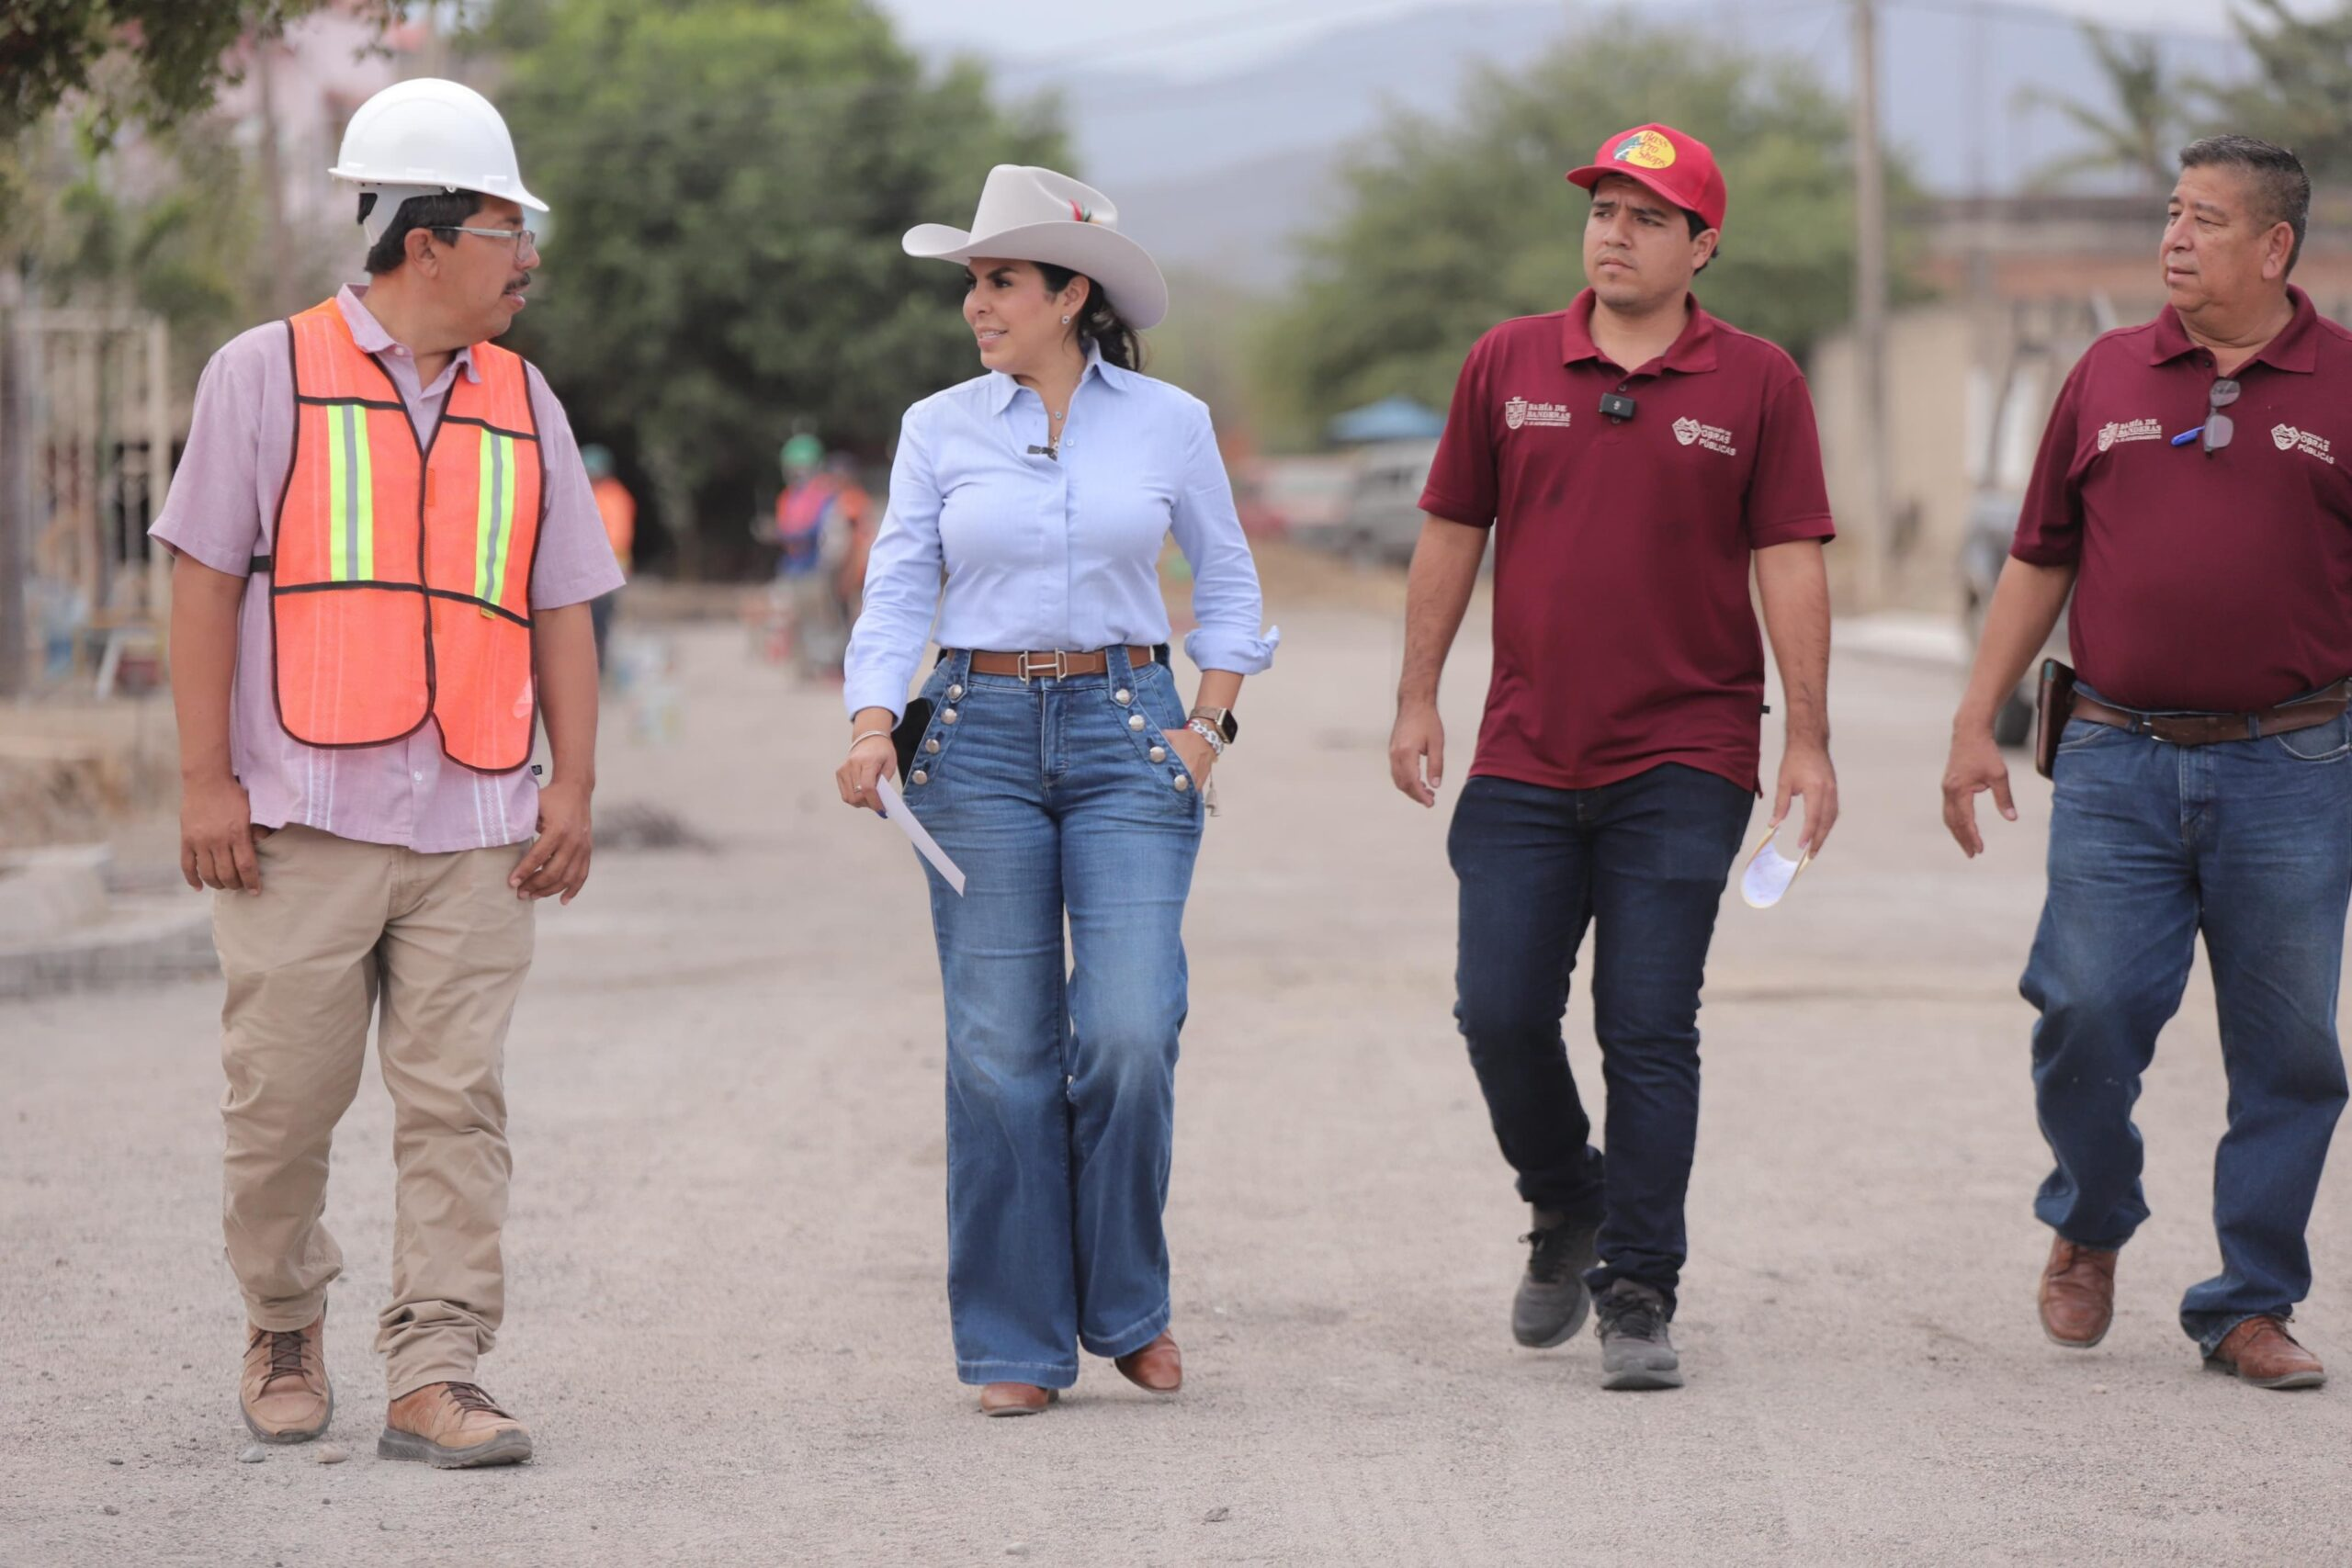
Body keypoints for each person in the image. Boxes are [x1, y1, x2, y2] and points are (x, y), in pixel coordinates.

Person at [153, 78, 622, 1467]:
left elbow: (563, 603)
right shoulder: (261, 371)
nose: (525, 256)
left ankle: (438, 1365)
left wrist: (575, 785)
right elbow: (196, 583)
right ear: (425, 239)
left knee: (456, 1103)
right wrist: (201, 780)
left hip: (477, 819)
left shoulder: (525, 395)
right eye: (503, 227)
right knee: (283, 1102)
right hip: (297, 820)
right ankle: (285, 1319)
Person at [1388, 122, 1838, 1391]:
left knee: (1647, 1021)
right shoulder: (1508, 362)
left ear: (1704, 244)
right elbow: (1450, 534)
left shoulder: (1759, 382)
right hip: (1526, 753)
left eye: (1648, 215)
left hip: (1686, 753)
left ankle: (1639, 1285)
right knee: (1500, 1008)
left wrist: (1807, 737)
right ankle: (1564, 1194)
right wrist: (1417, 696)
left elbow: (1791, 557)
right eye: (1603, 208)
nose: (1615, 232)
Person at [835, 164, 1277, 1416]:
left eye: (1000, 280)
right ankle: (1018, 1339)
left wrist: (1206, 727)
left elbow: (1233, 588)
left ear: (1070, 292)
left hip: (1132, 731)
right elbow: (899, 589)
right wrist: (875, 722)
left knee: (1130, 1030)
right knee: (998, 1052)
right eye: (974, 281)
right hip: (969, 739)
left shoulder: (1170, 422)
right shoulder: (938, 427)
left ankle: (1127, 1302)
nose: (977, 303)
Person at [1941, 135, 2346, 1392]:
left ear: (2273, 247)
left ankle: (2248, 1300)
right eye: (2171, 213)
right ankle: (2094, 1209)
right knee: (2085, 1006)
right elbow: (2038, 557)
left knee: (2288, 1050)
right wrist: (1974, 717)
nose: (2174, 237)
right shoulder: (2108, 371)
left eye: (2206, 219)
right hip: (2114, 757)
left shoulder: (2344, 385)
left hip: (2293, 763)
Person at [770, 434, 871, 680]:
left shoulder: (829, 498)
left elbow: (841, 538)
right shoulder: (788, 497)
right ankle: (810, 667)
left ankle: (836, 666)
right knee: (801, 621)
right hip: (798, 569)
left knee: (832, 621)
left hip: (827, 570)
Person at [582, 443, 635, 674]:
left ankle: (598, 669)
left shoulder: (614, 497)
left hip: (606, 569)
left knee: (600, 622)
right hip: (591, 569)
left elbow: (617, 536)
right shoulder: (593, 493)